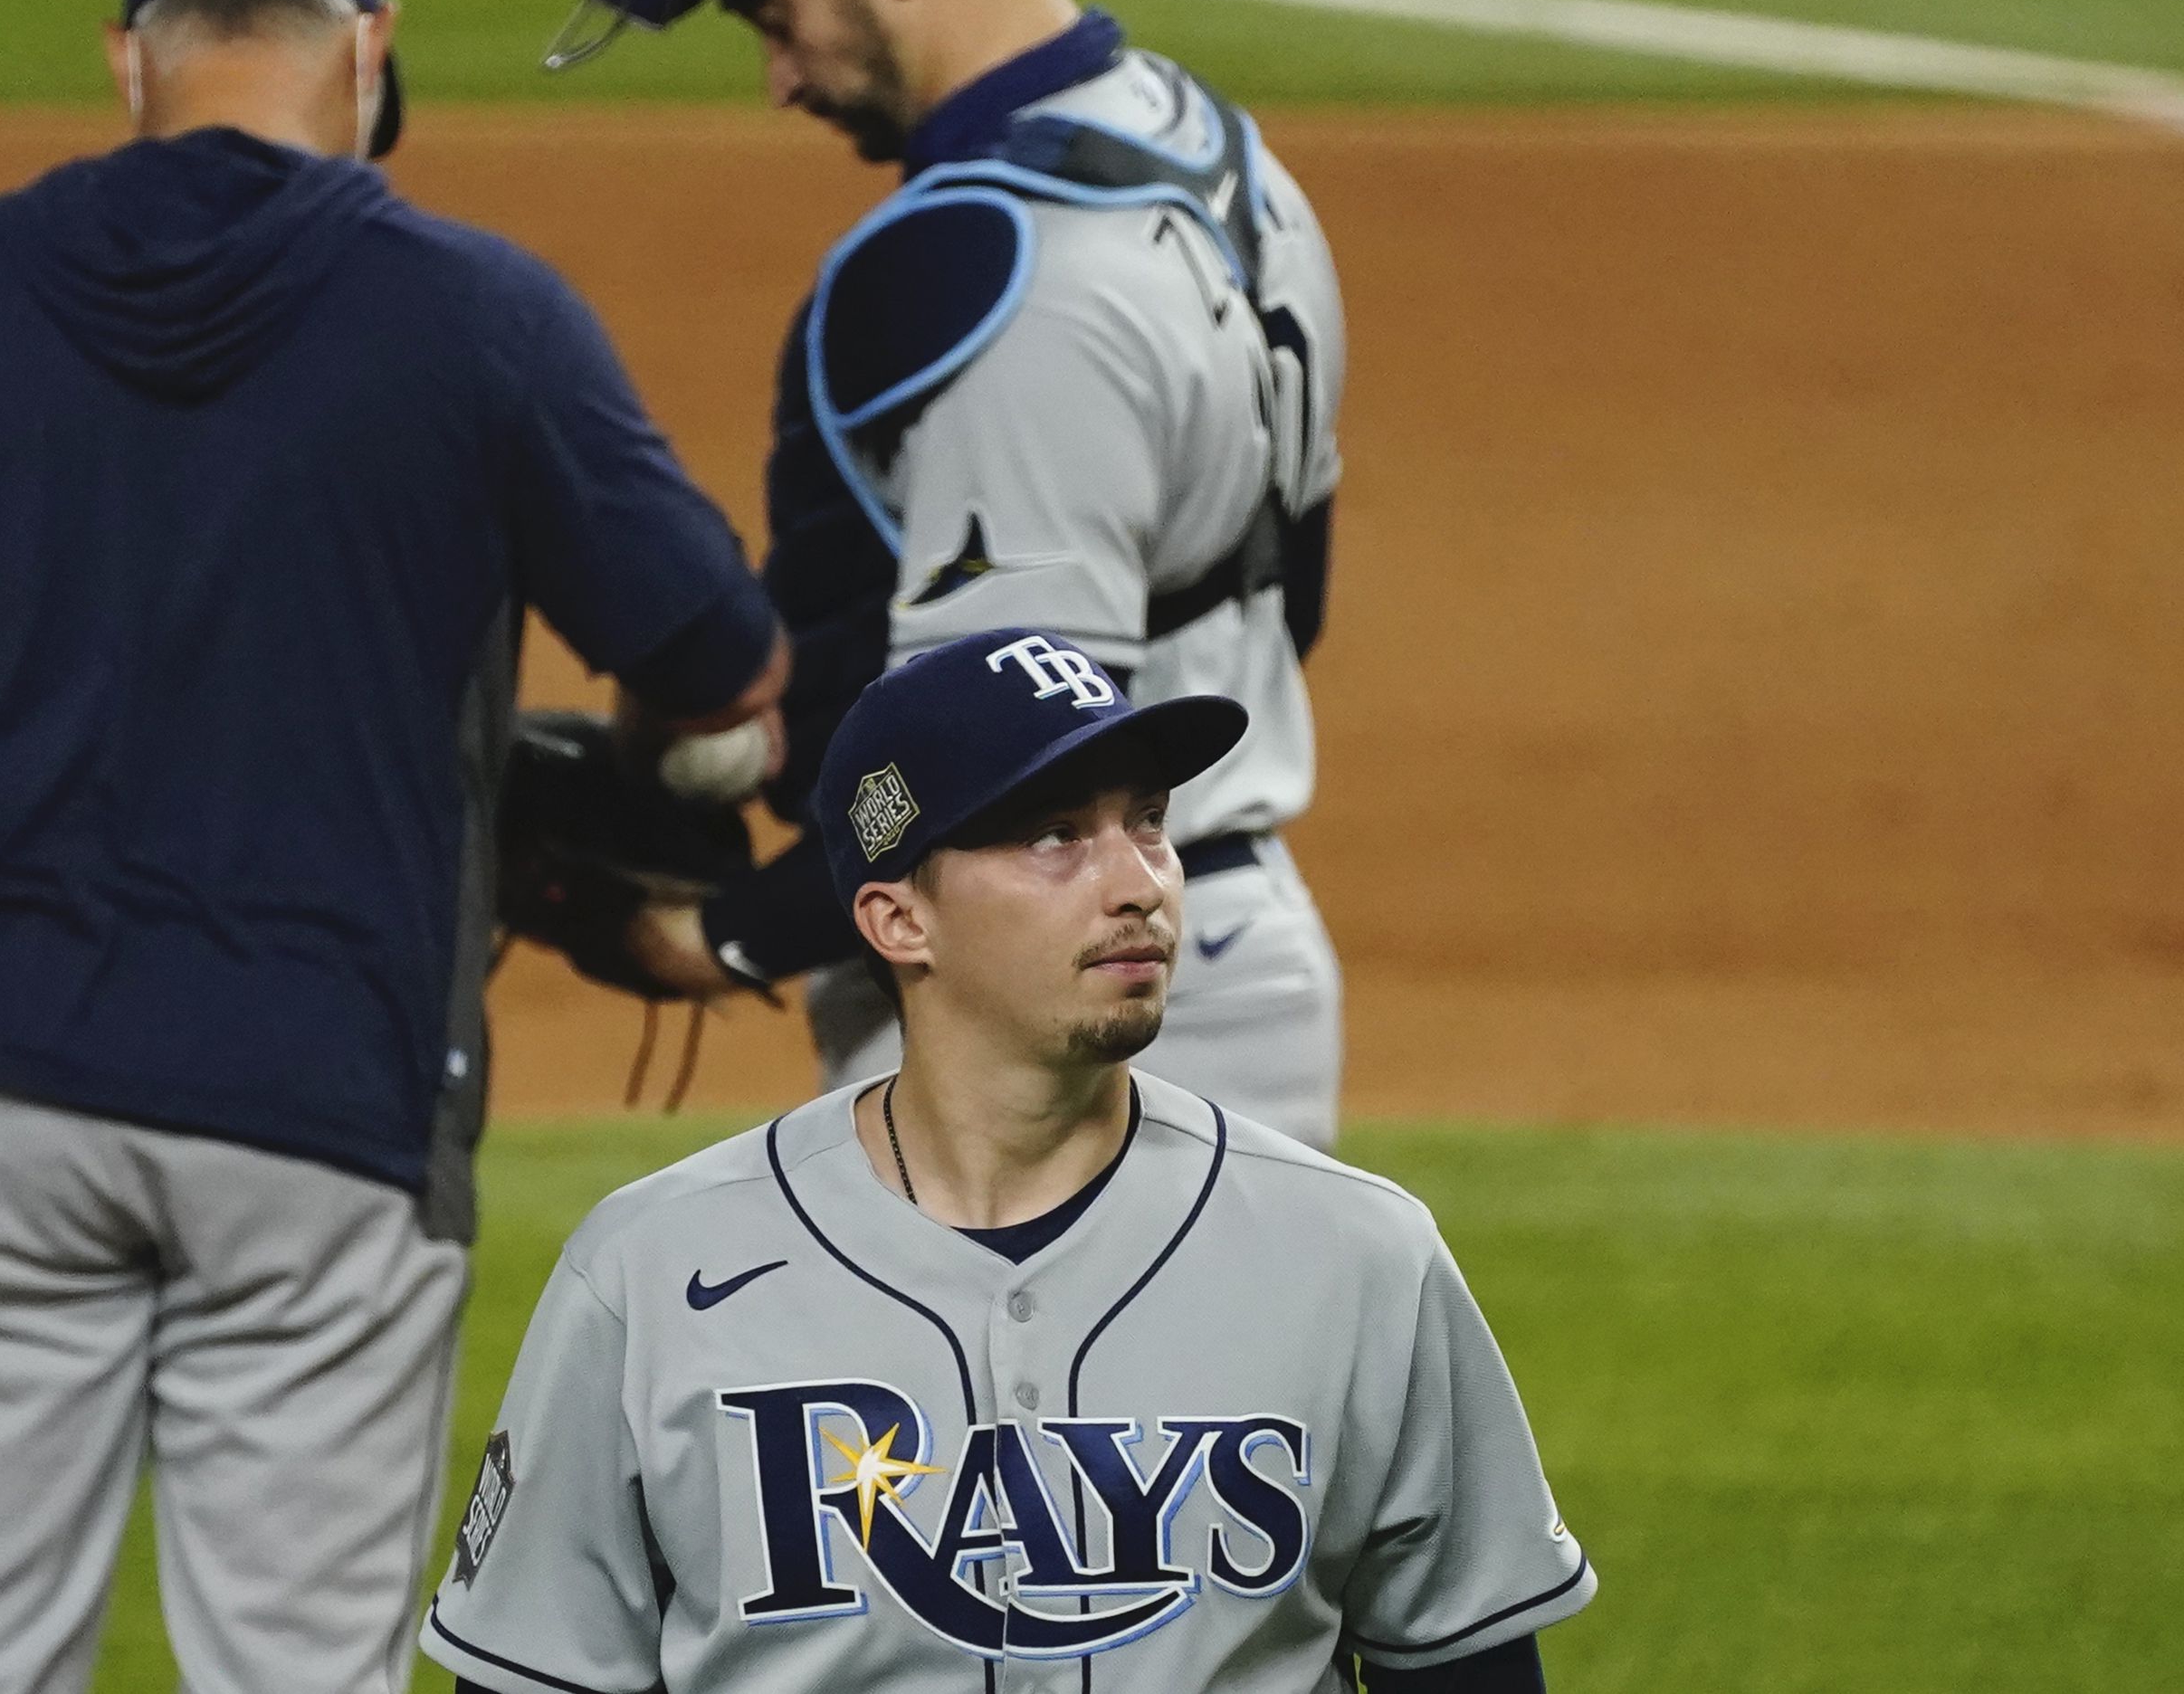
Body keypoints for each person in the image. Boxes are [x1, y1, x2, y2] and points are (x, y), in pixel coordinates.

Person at [0, 0, 783, 1691]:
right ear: (369, 50)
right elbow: (720, 664)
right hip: (322, 1107)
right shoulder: (478, 316)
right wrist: (667, 756)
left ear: (130, 59)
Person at [422, 629, 1594, 1694]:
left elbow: (1473, 1671)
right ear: (897, 920)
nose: (1138, 881)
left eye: (1146, 821)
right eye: (1054, 837)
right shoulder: (652, 1279)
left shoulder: (1360, 1259)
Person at [558, 0, 1353, 1148]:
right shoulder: (1221, 153)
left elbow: (1012, 769)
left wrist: (716, 937)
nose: (782, 80)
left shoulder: (1003, 271)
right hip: (1193, 951)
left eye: (777, 21)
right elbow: (1291, 589)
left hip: (1056, 1005)